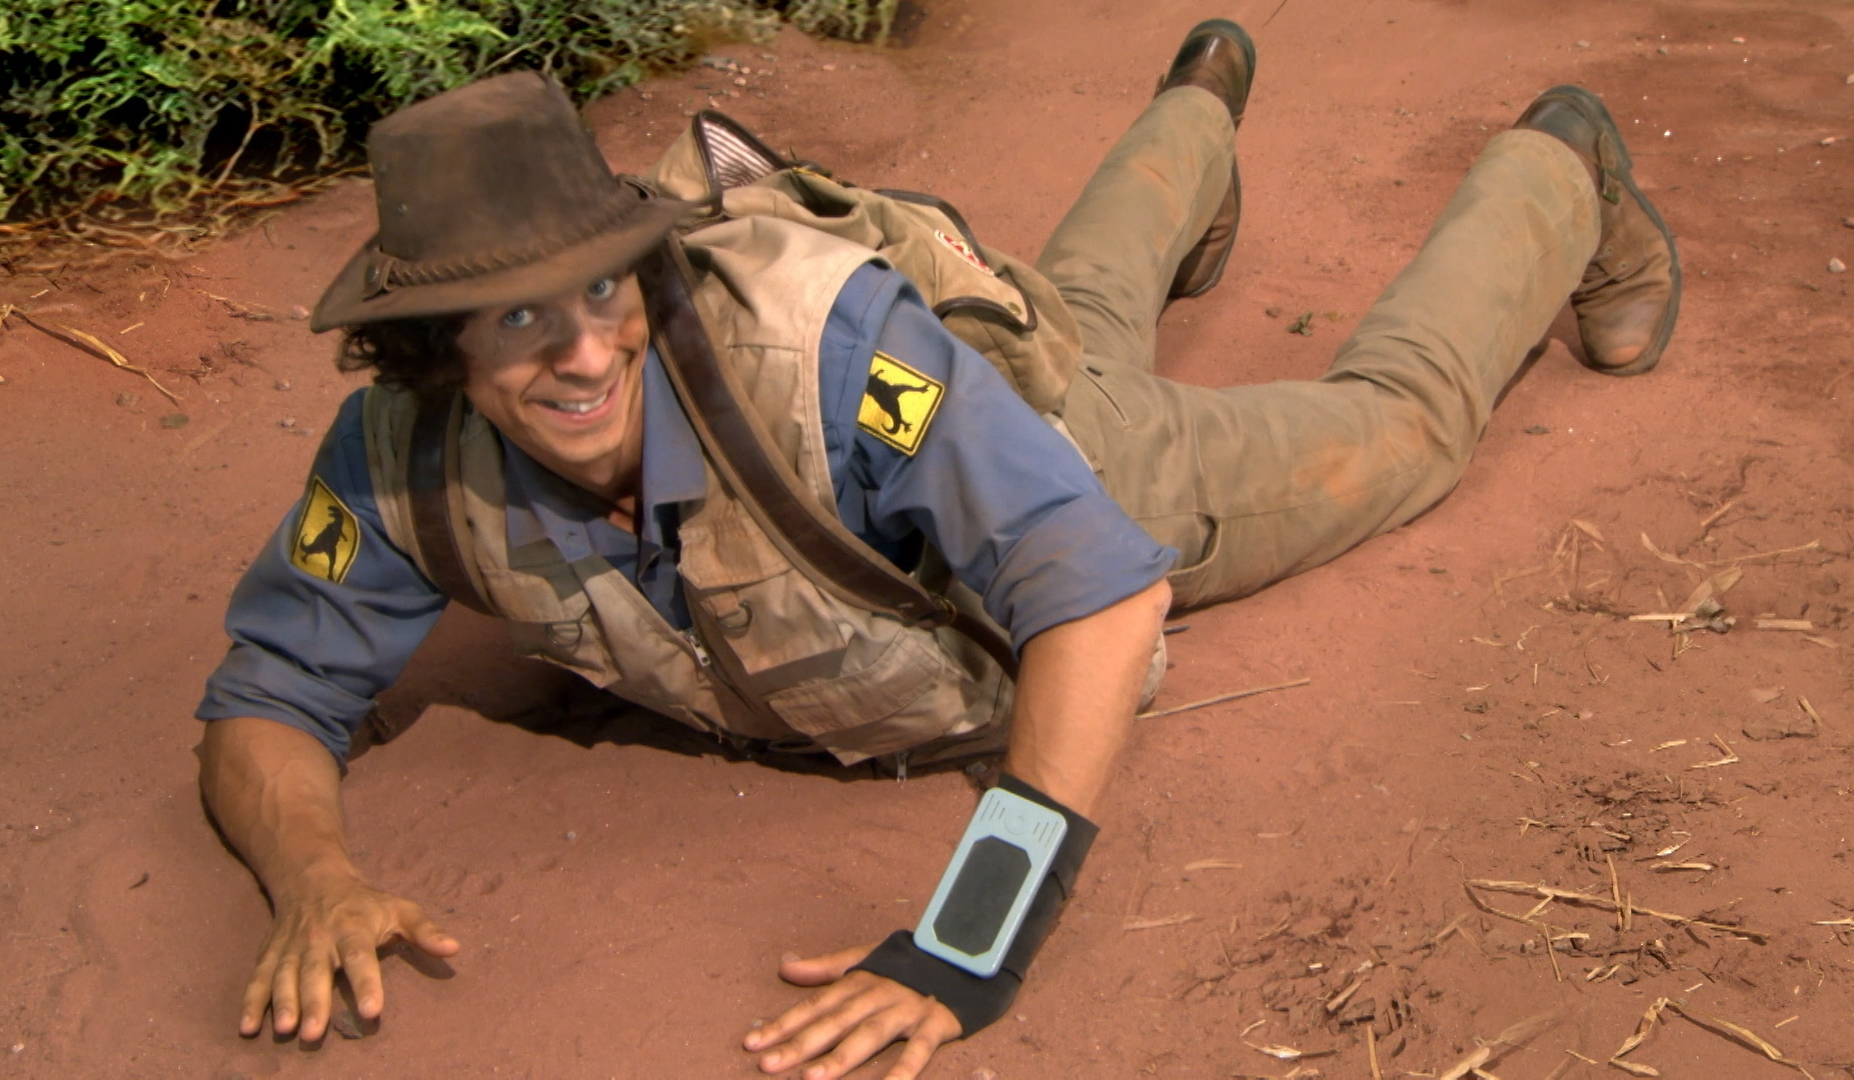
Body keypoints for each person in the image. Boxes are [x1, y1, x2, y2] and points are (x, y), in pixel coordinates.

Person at [194, 17, 1678, 1080]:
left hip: (1089, 465)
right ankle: (1198, 111)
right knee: (1071, 312)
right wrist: (312, 877)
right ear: (434, 350)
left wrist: (971, 943)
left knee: (1393, 430)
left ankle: (1560, 170)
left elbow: (1100, 601)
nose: (584, 351)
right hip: (972, 403)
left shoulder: (825, 359)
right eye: (519, 316)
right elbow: (270, 693)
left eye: (601, 289)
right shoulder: (398, 459)